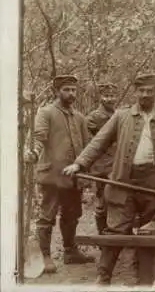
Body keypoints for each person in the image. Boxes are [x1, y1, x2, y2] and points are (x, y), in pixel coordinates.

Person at [62, 73, 155, 285]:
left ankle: (145, 276)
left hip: (154, 184)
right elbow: (98, 142)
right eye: (141, 91)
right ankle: (103, 277)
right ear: (135, 93)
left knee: (151, 230)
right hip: (124, 182)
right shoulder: (121, 116)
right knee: (116, 228)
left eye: (149, 91)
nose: (145, 95)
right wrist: (79, 164)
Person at [24, 75, 95, 274]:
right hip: (52, 176)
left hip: (73, 176)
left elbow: (86, 146)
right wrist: (34, 152)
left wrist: (84, 171)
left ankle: (70, 251)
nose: (71, 93)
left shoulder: (80, 117)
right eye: (66, 90)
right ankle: (44, 255)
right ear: (57, 91)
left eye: (73, 90)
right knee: (47, 216)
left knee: (72, 214)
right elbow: (39, 137)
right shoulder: (45, 112)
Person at [86, 82, 118, 235]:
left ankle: (113, 233)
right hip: (101, 167)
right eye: (107, 96)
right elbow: (93, 143)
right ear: (100, 97)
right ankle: (102, 235)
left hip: (116, 165)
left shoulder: (118, 115)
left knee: (116, 201)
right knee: (102, 203)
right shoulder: (93, 118)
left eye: (112, 96)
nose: (110, 99)